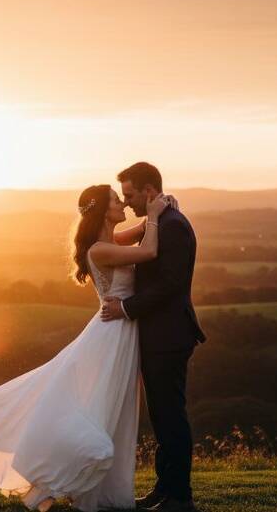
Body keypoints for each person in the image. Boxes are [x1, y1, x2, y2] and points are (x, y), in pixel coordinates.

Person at [0, 178, 175, 512]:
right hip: (111, 335)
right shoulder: (100, 250)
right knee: (95, 402)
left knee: (111, 406)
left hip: (120, 332)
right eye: (115, 200)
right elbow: (149, 249)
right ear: (103, 213)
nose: (122, 204)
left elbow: (139, 232)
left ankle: (97, 490)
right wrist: (155, 213)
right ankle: (52, 474)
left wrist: (158, 208)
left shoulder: (108, 240)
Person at [101, 162, 207, 511]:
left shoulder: (173, 226)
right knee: (162, 416)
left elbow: (170, 284)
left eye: (130, 195)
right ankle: (166, 488)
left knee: (171, 415)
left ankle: (180, 497)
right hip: (157, 335)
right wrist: (152, 218)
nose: (127, 202)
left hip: (169, 335)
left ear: (149, 192)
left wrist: (126, 308)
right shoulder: (160, 222)